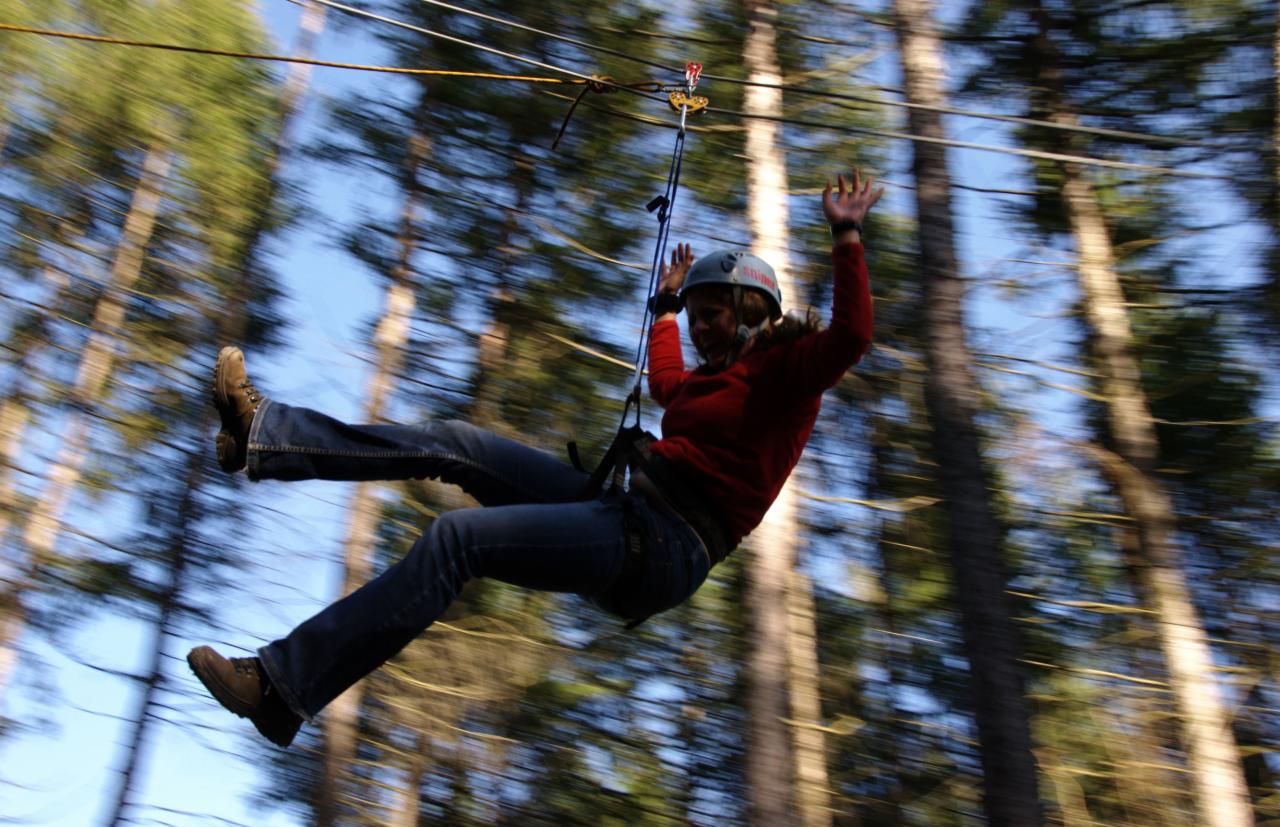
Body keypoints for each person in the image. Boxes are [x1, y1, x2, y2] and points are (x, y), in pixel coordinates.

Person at [187, 171, 883, 747]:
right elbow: (669, 386)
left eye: (713, 313)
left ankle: (280, 688)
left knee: (455, 539)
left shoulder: (791, 373)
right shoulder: (708, 378)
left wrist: (846, 232)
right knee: (454, 444)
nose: (701, 327)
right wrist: (666, 311)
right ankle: (263, 438)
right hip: (625, 505)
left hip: (664, 545)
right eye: (696, 316)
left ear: (754, 309)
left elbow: (853, 334)